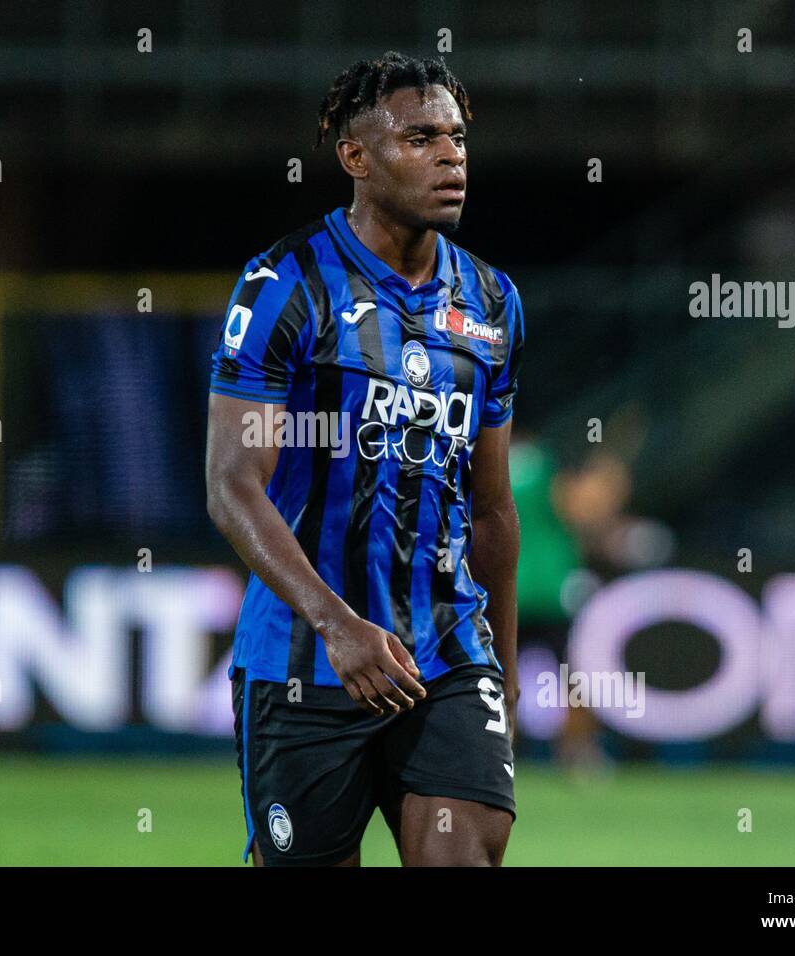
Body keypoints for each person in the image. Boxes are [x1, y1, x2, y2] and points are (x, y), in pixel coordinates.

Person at [205, 52, 526, 866]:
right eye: (420, 138)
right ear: (356, 157)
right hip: (304, 662)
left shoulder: (491, 303)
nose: (451, 156)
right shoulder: (285, 284)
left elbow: (492, 508)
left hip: (447, 653)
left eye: (456, 138)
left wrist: (506, 676)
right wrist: (336, 625)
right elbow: (233, 484)